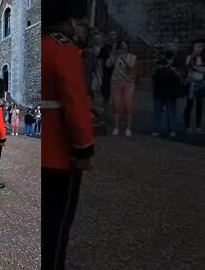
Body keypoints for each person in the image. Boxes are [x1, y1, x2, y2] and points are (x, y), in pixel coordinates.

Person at [42, 0, 94, 269]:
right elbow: (75, 103)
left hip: (43, 152)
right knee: (57, 227)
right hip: (60, 154)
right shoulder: (63, 47)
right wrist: (84, 147)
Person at [106, 40, 137, 136]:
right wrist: (113, 54)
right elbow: (107, 64)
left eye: (124, 46)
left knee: (128, 105)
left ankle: (128, 128)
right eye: (121, 46)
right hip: (116, 82)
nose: (123, 48)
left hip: (128, 83)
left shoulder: (132, 56)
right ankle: (116, 127)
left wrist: (123, 58)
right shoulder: (116, 56)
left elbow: (130, 66)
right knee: (117, 104)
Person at [151, 50, 182, 137]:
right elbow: (154, 77)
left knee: (171, 112)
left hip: (170, 91)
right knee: (158, 112)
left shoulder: (177, 65)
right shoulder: (158, 65)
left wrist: (172, 70)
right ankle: (157, 129)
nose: (168, 60)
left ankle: (172, 129)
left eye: (170, 58)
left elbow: (180, 77)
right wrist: (161, 68)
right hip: (159, 90)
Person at [184, 39, 205, 134]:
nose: (199, 48)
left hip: (201, 82)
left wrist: (198, 69)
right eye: (197, 46)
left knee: (199, 105)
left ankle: (198, 126)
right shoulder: (189, 57)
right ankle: (187, 126)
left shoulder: (203, 57)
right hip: (191, 82)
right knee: (189, 105)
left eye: (201, 46)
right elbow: (189, 67)